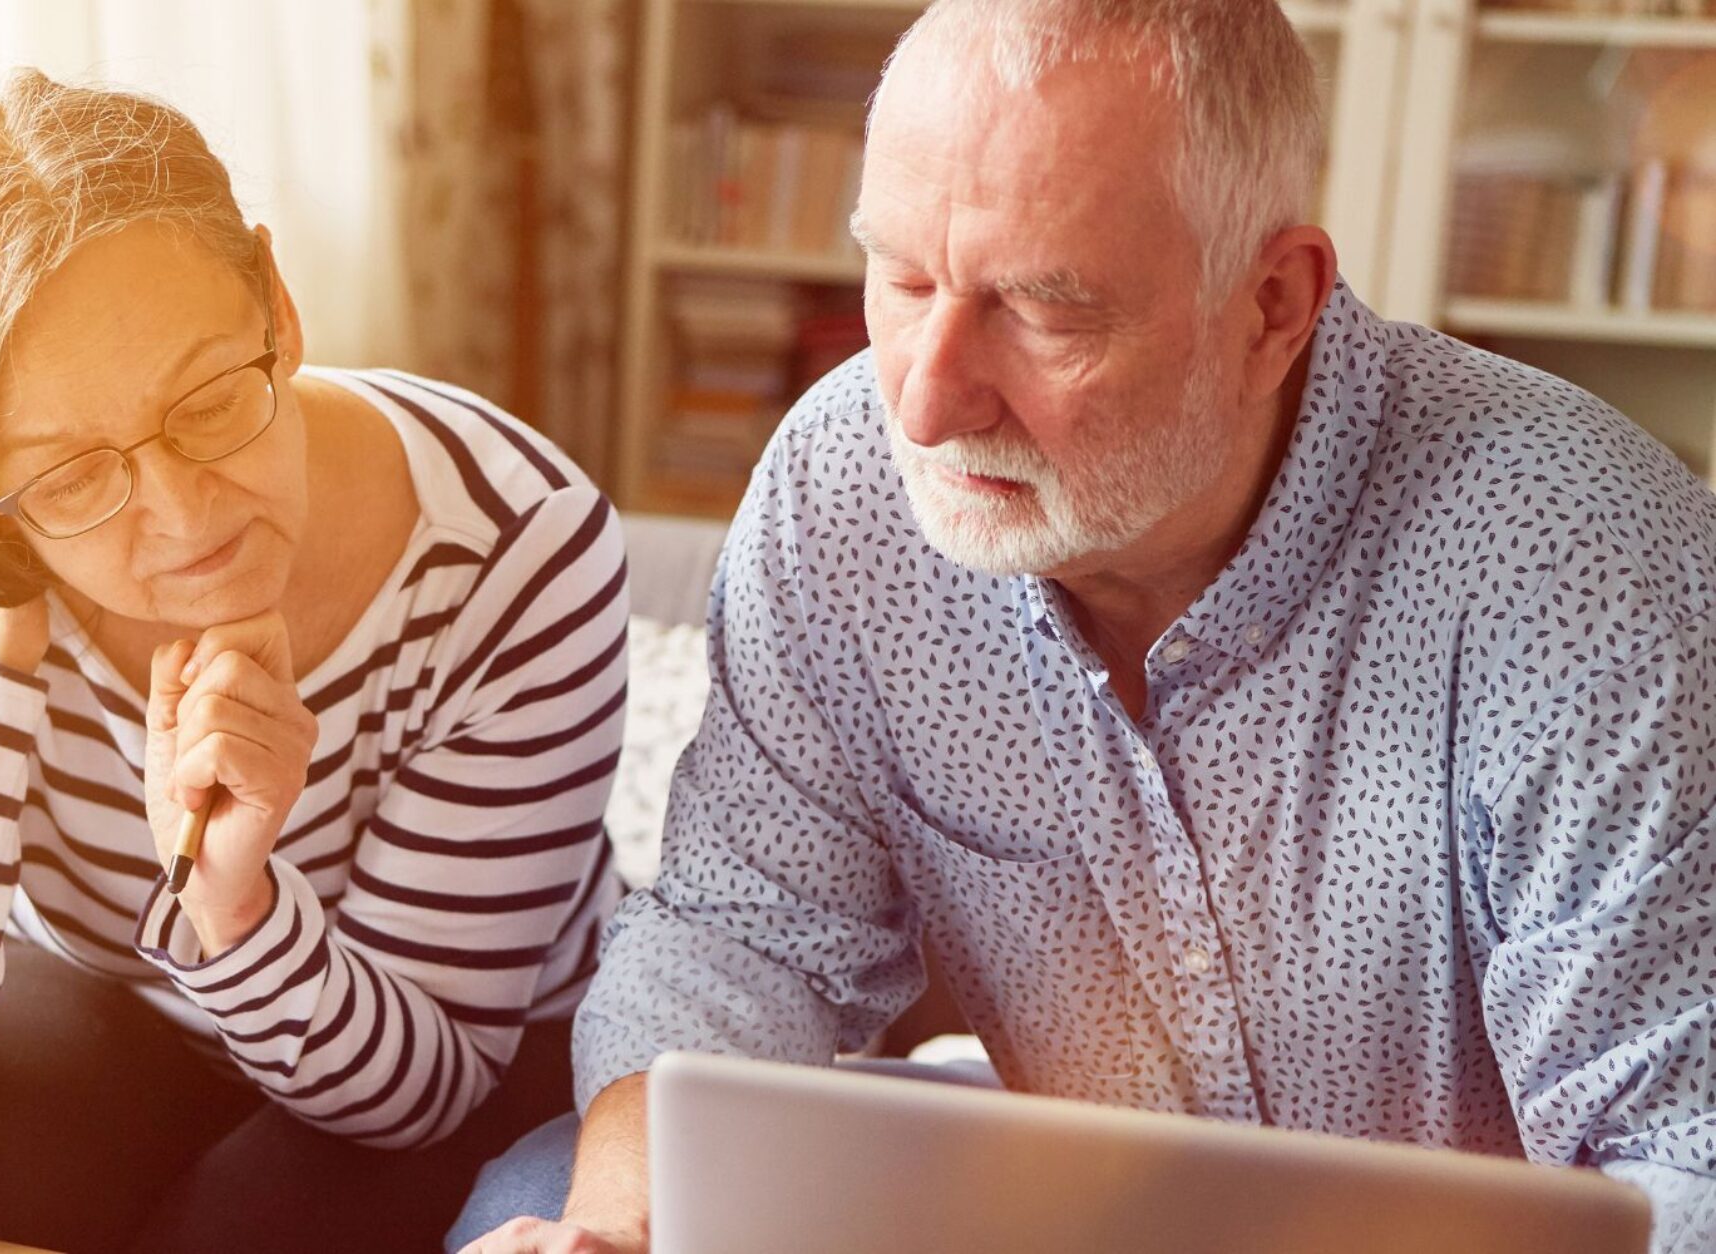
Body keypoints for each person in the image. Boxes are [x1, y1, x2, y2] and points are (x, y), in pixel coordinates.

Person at [453, 1, 1716, 1251]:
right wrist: (613, 1232)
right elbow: (740, 935)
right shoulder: (846, 481)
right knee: (536, 1197)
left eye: (1043, 311)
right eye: (900, 279)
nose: (929, 403)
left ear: (1274, 305)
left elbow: (1681, 1166)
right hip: (1059, 1192)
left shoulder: (1587, 572)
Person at [0, 70, 629, 1253]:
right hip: (138, 1031)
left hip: (447, 1071)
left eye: (206, 402)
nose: (185, 515)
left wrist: (235, 904)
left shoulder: (518, 551)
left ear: (277, 305)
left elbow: (426, 1092)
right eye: (71, 476)